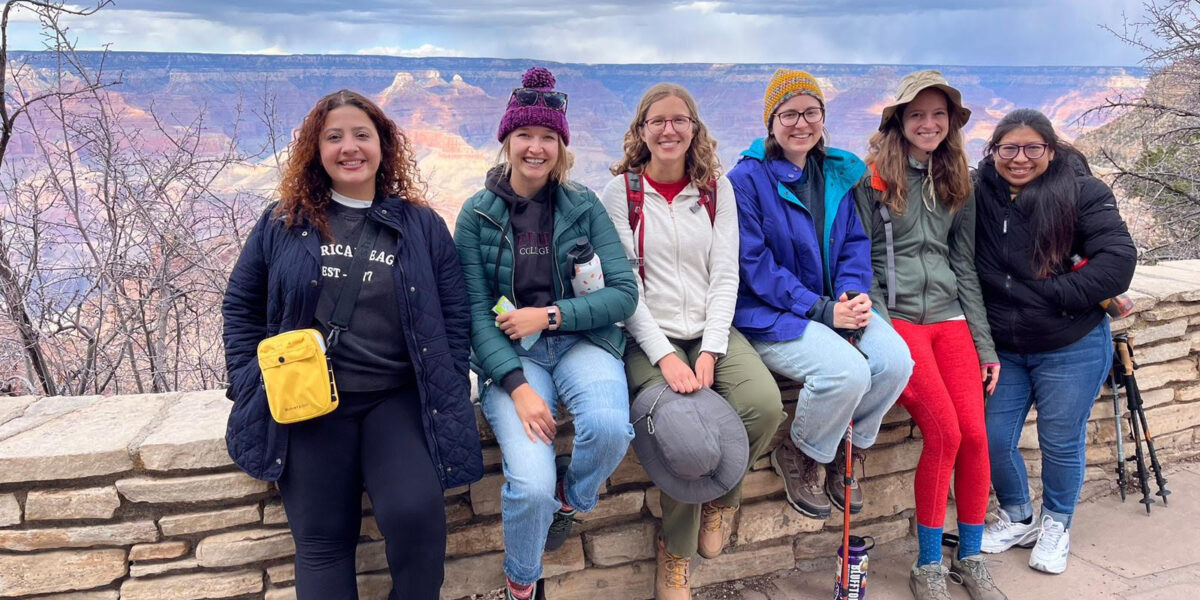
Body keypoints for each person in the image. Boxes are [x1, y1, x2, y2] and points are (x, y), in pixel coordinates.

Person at [221, 89, 482, 599]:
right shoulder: (283, 223)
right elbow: (240, 307)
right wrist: (252, 382)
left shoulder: (420, 226)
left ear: (382, 145)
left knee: (418, 522)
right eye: (334, 136)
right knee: (322, 542)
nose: (349, 147)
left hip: (395, 399)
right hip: (310, 403)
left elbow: (455, 313)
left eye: (361, 134)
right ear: (316, 150)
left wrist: (448, 379)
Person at [453, 66, 638, 600]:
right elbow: (472, 312)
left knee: (606, 429)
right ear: (507, 141)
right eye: (525, 136)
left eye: (548, 138)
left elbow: (623, 293)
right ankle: (522, 583)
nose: (536, 148)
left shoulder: (583, 206)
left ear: (562, 145)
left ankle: (571, 501)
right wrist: (518, 387)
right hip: (513, 361)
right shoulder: (476, 217)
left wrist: (549, 315)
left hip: (582, 343)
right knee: (527, 486)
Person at [600, 83, 785, 600]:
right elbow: (624, 288)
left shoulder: (714, 190)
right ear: (641, 131)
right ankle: (676, 553)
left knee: (764, 406)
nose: (668, 130)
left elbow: (726, 275)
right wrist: (664, 355)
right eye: (656, 121)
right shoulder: (621, 194)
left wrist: (710, 348)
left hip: (710, 330)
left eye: (679, 120)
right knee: (682, 431)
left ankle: (725, 496)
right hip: (647, 337)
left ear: (695, 129)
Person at [728, 69, 914, 522]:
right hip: (773, 313)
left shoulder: (834, 173)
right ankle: (803, 452)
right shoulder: (746, 180)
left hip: (834, 305)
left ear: (823, 117)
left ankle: (849, 448)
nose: (800, 123)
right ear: (770, 123)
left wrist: (852, 293)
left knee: (894, 362)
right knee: (847, 372)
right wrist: (822, 310)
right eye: (788, 114)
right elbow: (754, 265)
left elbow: (853, 242)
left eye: (811, 112)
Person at [856, 71, 1005, 600]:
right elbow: (862, 261)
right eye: (917, 114)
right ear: (899, 120)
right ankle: (926, 566)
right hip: (899, 321)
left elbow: (963, 265)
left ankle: (969, 557)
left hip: (951, 321)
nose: (928, 123)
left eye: (938, 114)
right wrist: (880, 321)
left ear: (950, 122)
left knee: (976, 437)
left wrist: (984, 346)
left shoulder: (955, 177)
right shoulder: (870, 178)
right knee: (945, 433)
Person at [973, 108, 1136, 575]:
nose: (1019, 158)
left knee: (1060, 440)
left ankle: (1056, 523)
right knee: (992, 436)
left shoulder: (1083, 192)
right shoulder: (979, 191)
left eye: (1032, 148)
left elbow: (1118, 261)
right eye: (1008, 148)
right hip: (1004, 346)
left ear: (1050, 148)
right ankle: (1018, 515)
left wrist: (1052, 295)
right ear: (993, 150)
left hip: (1071, 342)